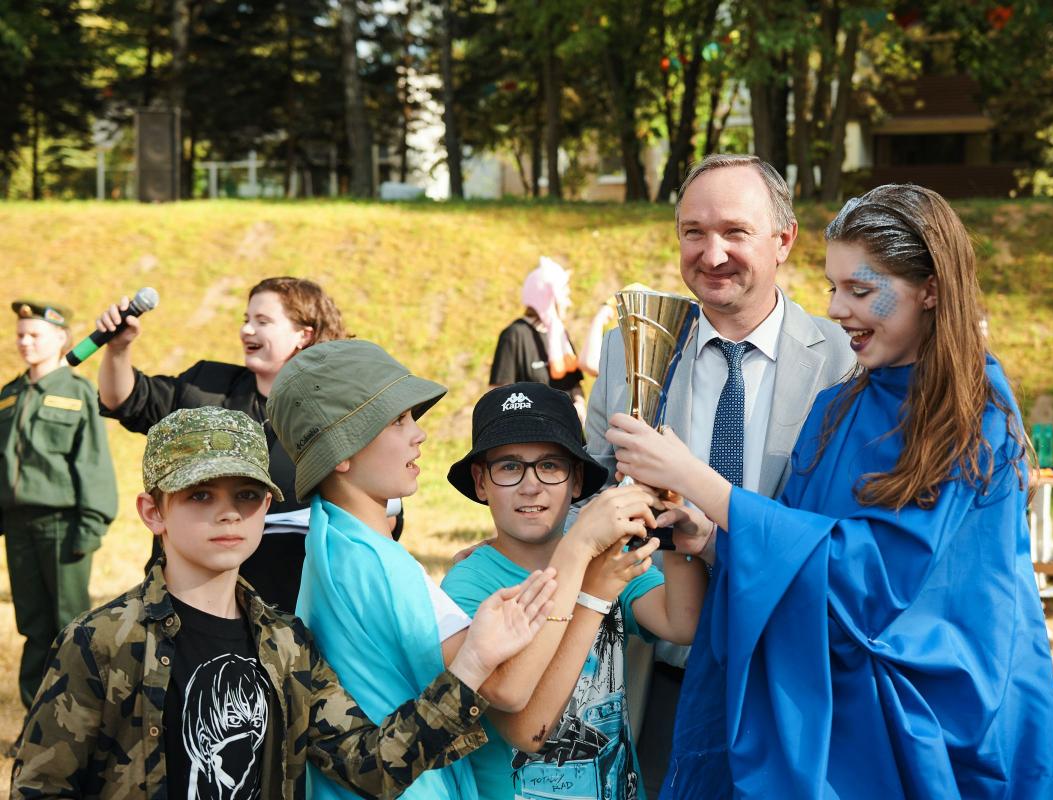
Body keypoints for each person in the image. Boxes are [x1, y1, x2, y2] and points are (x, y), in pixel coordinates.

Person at [606, 184, 1053, 798]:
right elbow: (796, 554)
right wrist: (708, 539)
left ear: (930, 289)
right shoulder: (836, 407)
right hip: (827, 708)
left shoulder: (972, 413)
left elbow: (875, 577)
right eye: (833, 287)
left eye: (862, 290)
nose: (840, 309)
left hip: (926, 718)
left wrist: (699, 481)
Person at [11, 405, 556, 799]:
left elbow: (370, 766)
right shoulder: (102, 642)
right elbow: (42, 787)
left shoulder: (285, 644)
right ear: (153, 512)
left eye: (246, 496)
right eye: (200, 495)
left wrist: (473, 665)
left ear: (268, 507)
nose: (228, 514)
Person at [579, 153, 855, 794]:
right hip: (661, 673)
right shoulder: (630, 352)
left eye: (735, 231)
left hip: (793, 678)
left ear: (784, 240)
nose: (712, 253)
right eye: (693, 232)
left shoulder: (844, 361)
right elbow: (585, 487)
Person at [268, 342, 635, 800]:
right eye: (398, 420)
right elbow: (507, 689)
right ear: (343, 451)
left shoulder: (334, 542)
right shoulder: (382, 566)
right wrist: (577, 551)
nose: (418, 435)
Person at [441, 382, 706, 800]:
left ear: (577, 479)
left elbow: (683, 621)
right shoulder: (468, 585)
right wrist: (587, 579)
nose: (531, 486)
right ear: (480, 482)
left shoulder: (604, 556)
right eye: (509, 467)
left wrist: (676, 536)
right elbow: (528, 731)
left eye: (550, 465)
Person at [95, 276, 350, 612]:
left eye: (263, 321)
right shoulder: (207, 386)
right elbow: (125, 400)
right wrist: (118, 349)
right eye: (246, 320)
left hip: (292, 607)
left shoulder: (338, 412)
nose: (247, 330)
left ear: (304, 334)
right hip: (186, 603)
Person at [0, 299, 117, 709]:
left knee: (70, 625)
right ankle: (36, 723)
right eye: (20, 335)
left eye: (34, 335)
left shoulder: (76, 391)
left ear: (61, 338)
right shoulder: (10, 395)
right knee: (32, 626)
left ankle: (78, 722)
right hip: (18, 528)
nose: (25, 342)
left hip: (62, 525)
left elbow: (92, 459)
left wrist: (91, 523)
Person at [490, 257, 586, 420]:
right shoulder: (514, 335)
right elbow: (498, 397)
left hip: (569, 435)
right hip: (535, 437)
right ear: (546, 298)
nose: (568, 303)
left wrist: (579, 404)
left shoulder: (560, 334)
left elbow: (574, 384)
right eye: (564, 296)